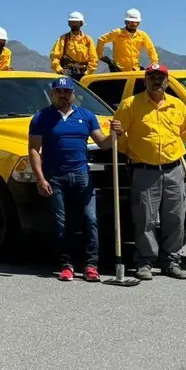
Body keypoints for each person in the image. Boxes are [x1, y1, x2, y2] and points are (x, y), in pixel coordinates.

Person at [29, 77, 118, 281]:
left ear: (73, 94)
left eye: (67, 91)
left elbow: (103, 144)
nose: (63, 95)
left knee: (90, 220)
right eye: (59, 91)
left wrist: (114, 135)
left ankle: (91, 266)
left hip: (82, 176)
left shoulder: (86, 116)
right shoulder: (41, 118)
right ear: (52, 94)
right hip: (55, 177)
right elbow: (34, 149)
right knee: (61, 223)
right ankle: (66, 265)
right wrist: (40, 179)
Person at [113, 64, 186, 280]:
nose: (157, 81)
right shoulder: (131, 104)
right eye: (152, 77)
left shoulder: (178, 106)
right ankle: (145, 261)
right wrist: (132, 148)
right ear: (145, 80)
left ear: (167, 81)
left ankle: (171, 261)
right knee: (145, 218)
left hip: (174, 169)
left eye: (161, 77)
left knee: (176, 217)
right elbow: (119, 137)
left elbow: (182, 134)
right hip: (145, 170)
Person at [50, 12, 98, 79]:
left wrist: (88, 73)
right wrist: (59, 69)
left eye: (76, 22)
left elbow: (93, 59)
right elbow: (55, 56)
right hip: (67, 73)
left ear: (81, 23)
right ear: (69, 24)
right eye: (72, 22)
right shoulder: (63, 38)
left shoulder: (88, 40)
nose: (74, 24)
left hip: (84, 73)